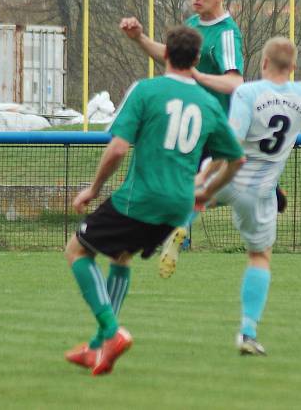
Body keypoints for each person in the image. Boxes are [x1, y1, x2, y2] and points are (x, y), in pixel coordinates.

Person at [64, 25, 246, 375]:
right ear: (195, 60)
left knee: (76, 250)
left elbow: (117, 148)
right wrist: (206, 190)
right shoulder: (209, 103)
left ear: (165, 55)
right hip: (178, 207)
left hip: (142, 198)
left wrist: (94, 188)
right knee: (121, 256)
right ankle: (99, 349)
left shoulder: (146, 91)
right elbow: (235, 158)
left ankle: (110, 331)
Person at [196, 37, 301, 355]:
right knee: (259, 257)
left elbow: (230, 141)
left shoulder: (248, 92)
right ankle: (247, 332)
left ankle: (184, 217)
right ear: (293, 68)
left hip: (227, 178)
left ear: (263, 64)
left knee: (199, 191)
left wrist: (205, 175)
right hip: (259, 192)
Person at [121, 0, 286, 276]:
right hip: (193, 124)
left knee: (194, 185)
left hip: (216, 126)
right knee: (188, 185)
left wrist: (197, 75)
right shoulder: (193, 24)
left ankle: (175, 226)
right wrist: (140, 38)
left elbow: (235, 82)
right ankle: (178, 227)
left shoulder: (226, 33)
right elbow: (172, 55)